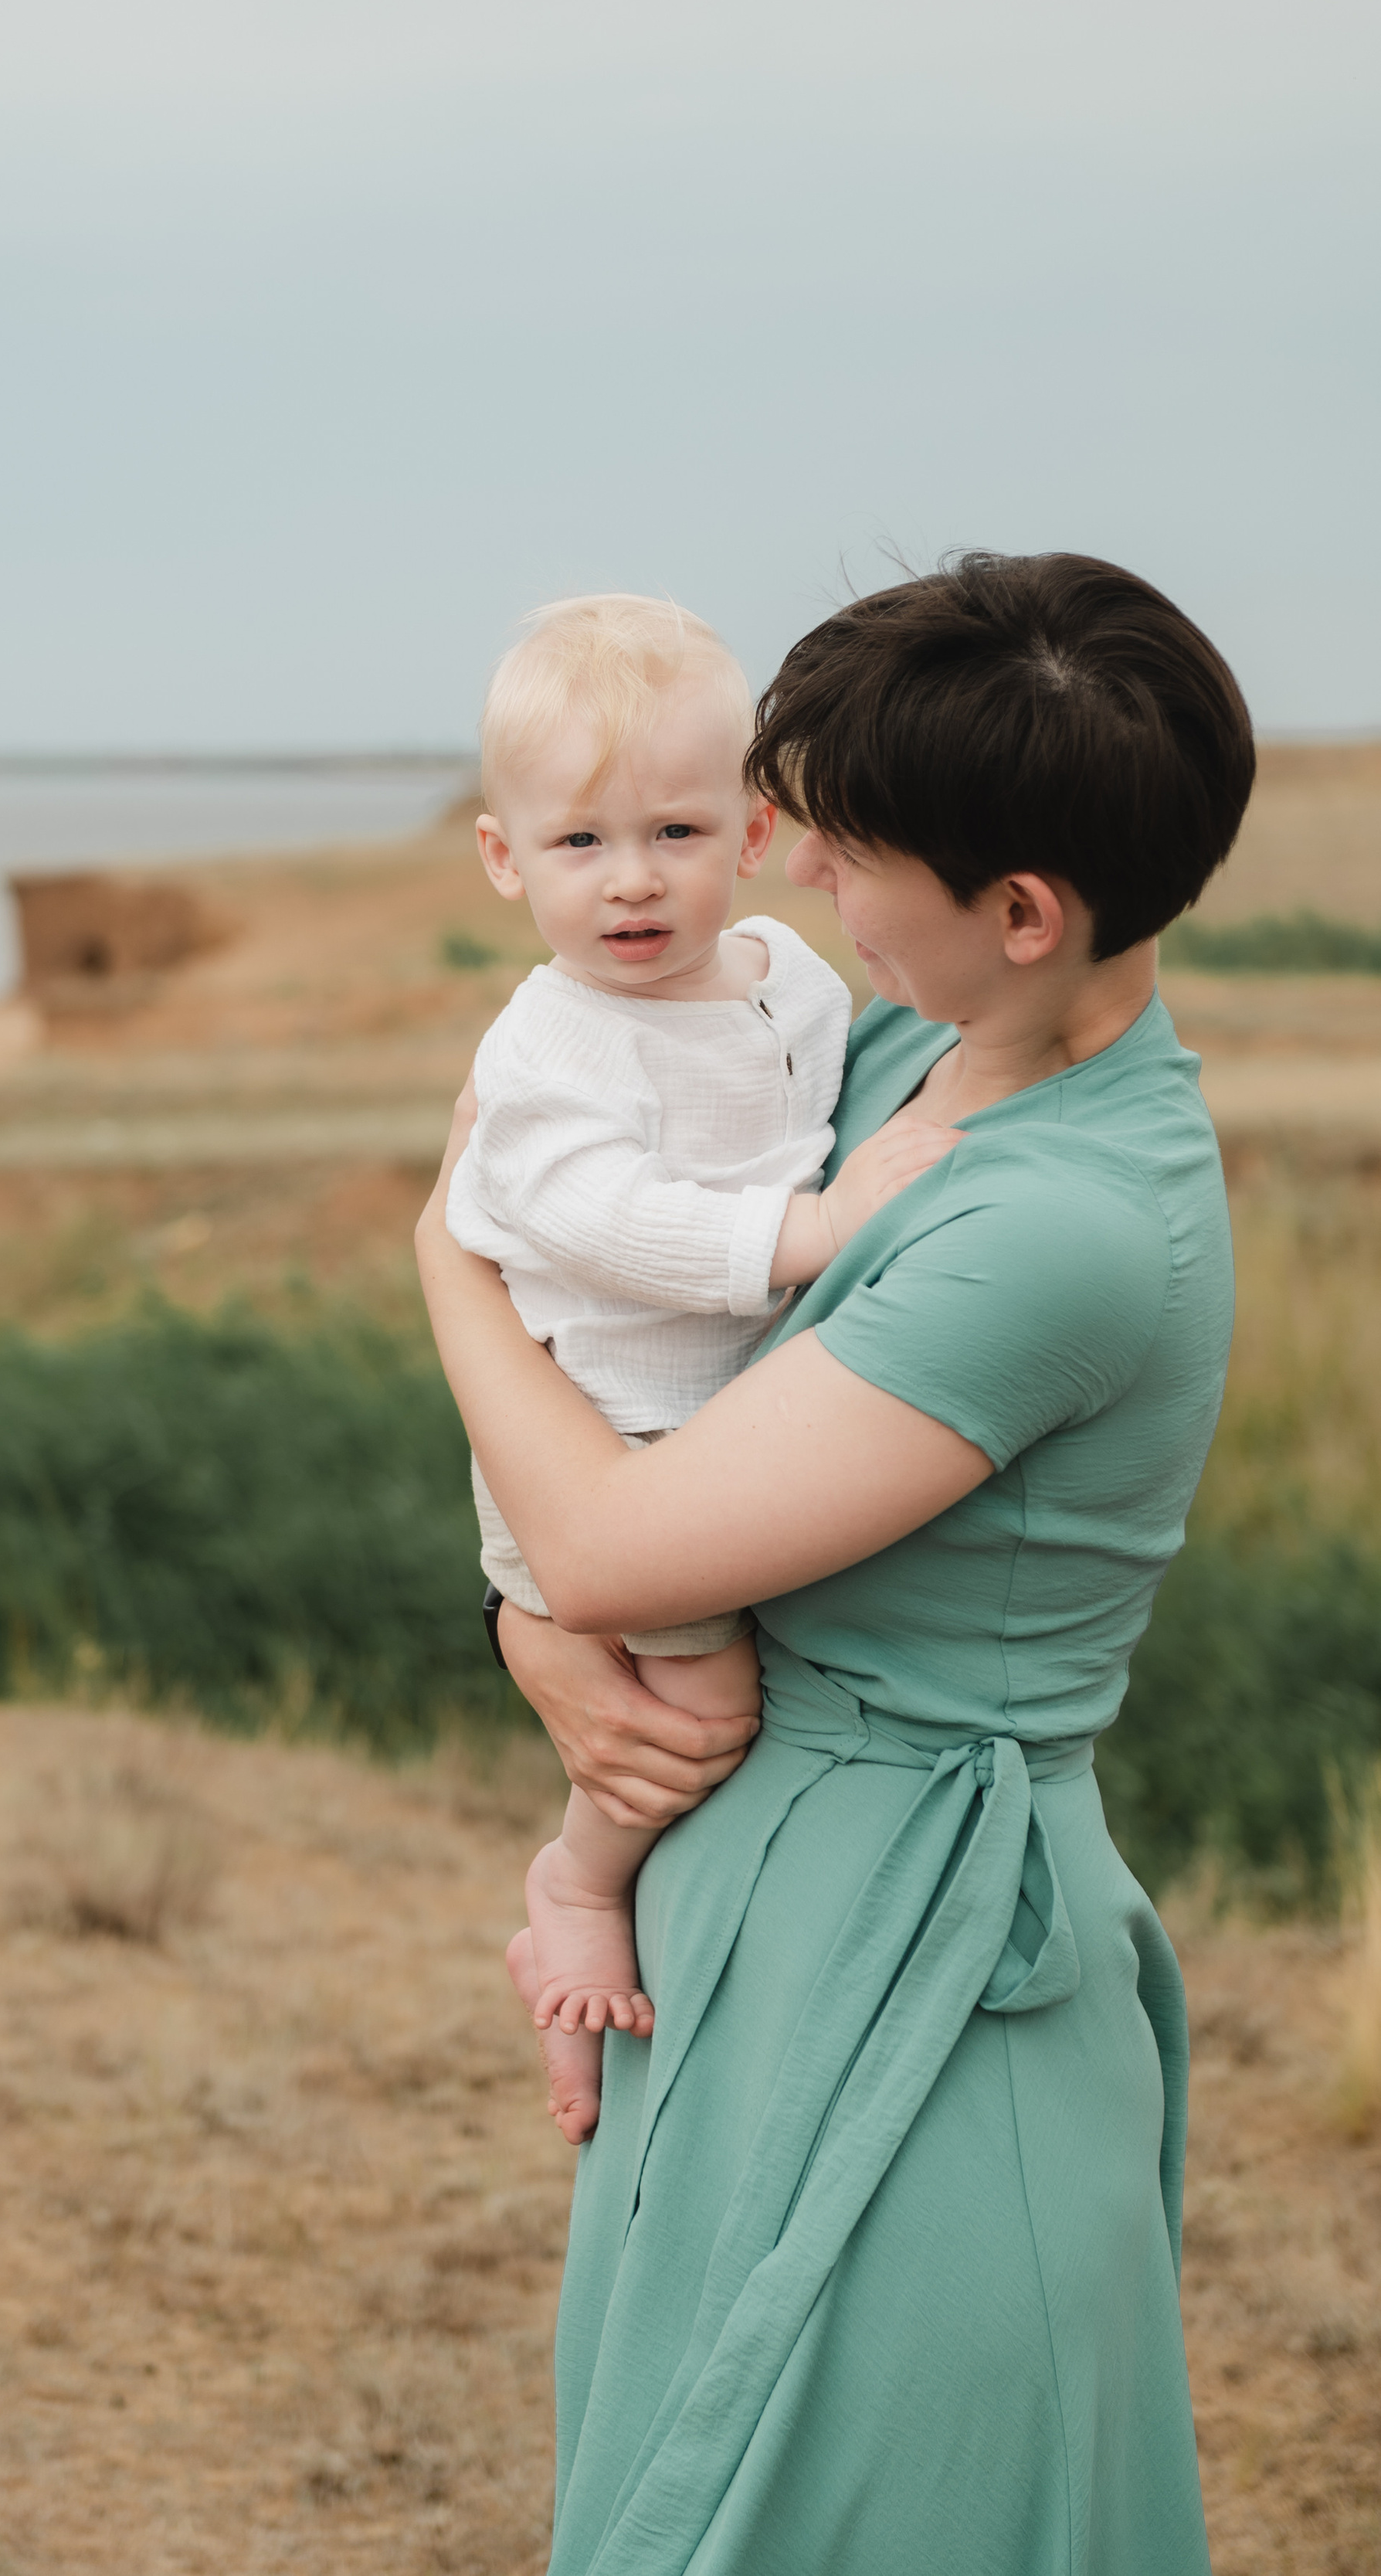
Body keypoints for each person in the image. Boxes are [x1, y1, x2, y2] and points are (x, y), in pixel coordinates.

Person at [416, 550, 1253, 2574]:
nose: (795, 881)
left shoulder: (1057, 1222)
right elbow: (603, 1272)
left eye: (850, 851)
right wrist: (536, 1636)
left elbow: (610, 1526)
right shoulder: (908, 1057)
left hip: (912, 1950)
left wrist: (442, 1258)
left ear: (1024, 912)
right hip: (753, 1903)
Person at [449, 593, 955, 2139]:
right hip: (591, 1430)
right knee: (696, 1706)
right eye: (578, 845)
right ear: (501, 860)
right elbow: (600, 1224)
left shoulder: (785, 978)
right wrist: (799, 1236)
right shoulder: (548, 1051)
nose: (629, 883)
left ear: (747, 830)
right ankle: (577, 1882)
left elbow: (820, 1094)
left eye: (671, 832)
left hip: (711, 1426)